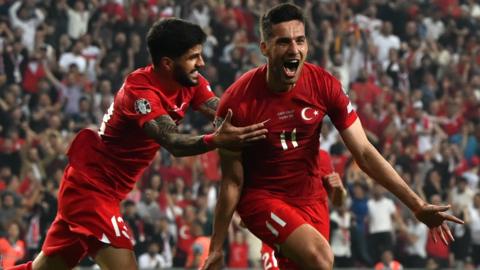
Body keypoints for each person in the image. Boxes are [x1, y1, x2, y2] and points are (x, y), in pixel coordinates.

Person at [203, 3, 463, 270]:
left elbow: (363, 152)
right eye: (283, 42)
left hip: (312, 200)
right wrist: (215, 248)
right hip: (262, 197)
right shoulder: (237, 102)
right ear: (264, 48)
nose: (294, 50)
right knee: (321, 259)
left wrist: (417, 205)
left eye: (300, 41)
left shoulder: (324, 85)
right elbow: (232, 181)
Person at [10, 18, 267, 270]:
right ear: (167, 63)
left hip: (101, 190)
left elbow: (221, 111)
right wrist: (217, 139)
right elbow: (174, 143)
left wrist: (266, 122)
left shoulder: (190, 81)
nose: (201, 63)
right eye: (193, 57)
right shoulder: (139, 91)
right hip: (91, 188)